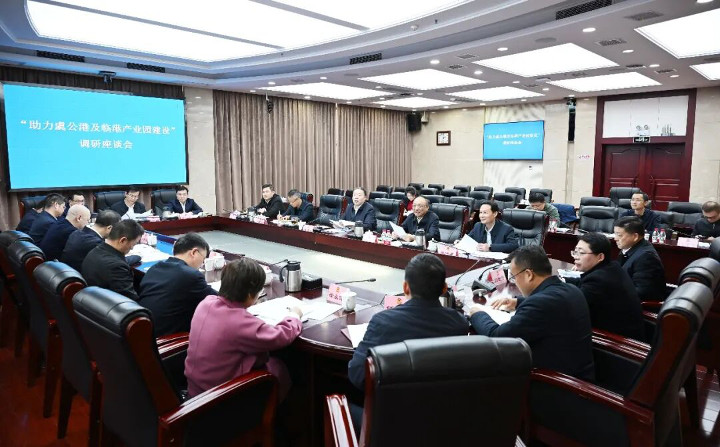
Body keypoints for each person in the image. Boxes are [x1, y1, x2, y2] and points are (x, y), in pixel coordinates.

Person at [470, 245, 595, 381]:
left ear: (529, 274)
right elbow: (551, 304)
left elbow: (497, 336)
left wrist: (478, 314)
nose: (515, 282)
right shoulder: (572, 289)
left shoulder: (539, 304)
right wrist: (517, 302)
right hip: (578, 373)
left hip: (556, 383)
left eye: (514, 277)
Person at [184, 258, 303, 399]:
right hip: (219, 400)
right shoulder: (238, 322)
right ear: (250, 295)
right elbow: (280, 336)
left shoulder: (206, 302)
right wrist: (294, 316)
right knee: (279, 367)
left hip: (196, 391)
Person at [348, 253, 468, 390]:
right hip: (441, 402)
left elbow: (358, 374)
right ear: (444, 289)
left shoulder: (382, 321)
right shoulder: (459, 323)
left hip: (392, 403)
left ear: (405, 287)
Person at [566, 232, 644, 340]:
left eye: (581, 253)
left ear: (600, 257)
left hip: (617, 342)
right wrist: (562, 280)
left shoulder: (598, 280)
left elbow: (571, 306)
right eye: (575, 252)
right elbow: (582, 282)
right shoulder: (611, 268)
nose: (576, 257)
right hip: (623, 334)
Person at [139, 233, 217, 336]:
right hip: (165, 339)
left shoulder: (155, 268)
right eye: (203, 259)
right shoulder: (191, 275)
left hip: (143, 331)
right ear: (194, 252)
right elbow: (218, 300)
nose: (202, 264)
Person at [81, 219, 144, 301]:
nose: (132, 248)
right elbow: (130, 300)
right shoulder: (117, 267)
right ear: (123, 240)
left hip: (92, 300)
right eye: (134, 244)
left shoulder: (95, 251)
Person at [614, 216, 668, 302]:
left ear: (635, 236)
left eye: (619, 235)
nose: (615, 238)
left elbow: (642, 292)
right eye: (615, 234)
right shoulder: (629, 248)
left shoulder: (646, 257)